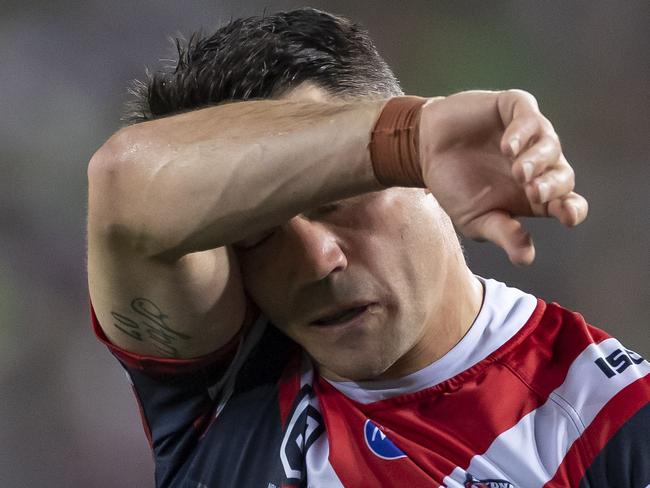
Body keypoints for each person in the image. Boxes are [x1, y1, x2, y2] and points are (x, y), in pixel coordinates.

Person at [86, 8, 649, 488]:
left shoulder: (609, 418)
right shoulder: (226, 381)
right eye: (258, 233)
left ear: (424, 177)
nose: (315, 260)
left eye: (337, 197)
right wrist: (405, 138)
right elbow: (121, 185)